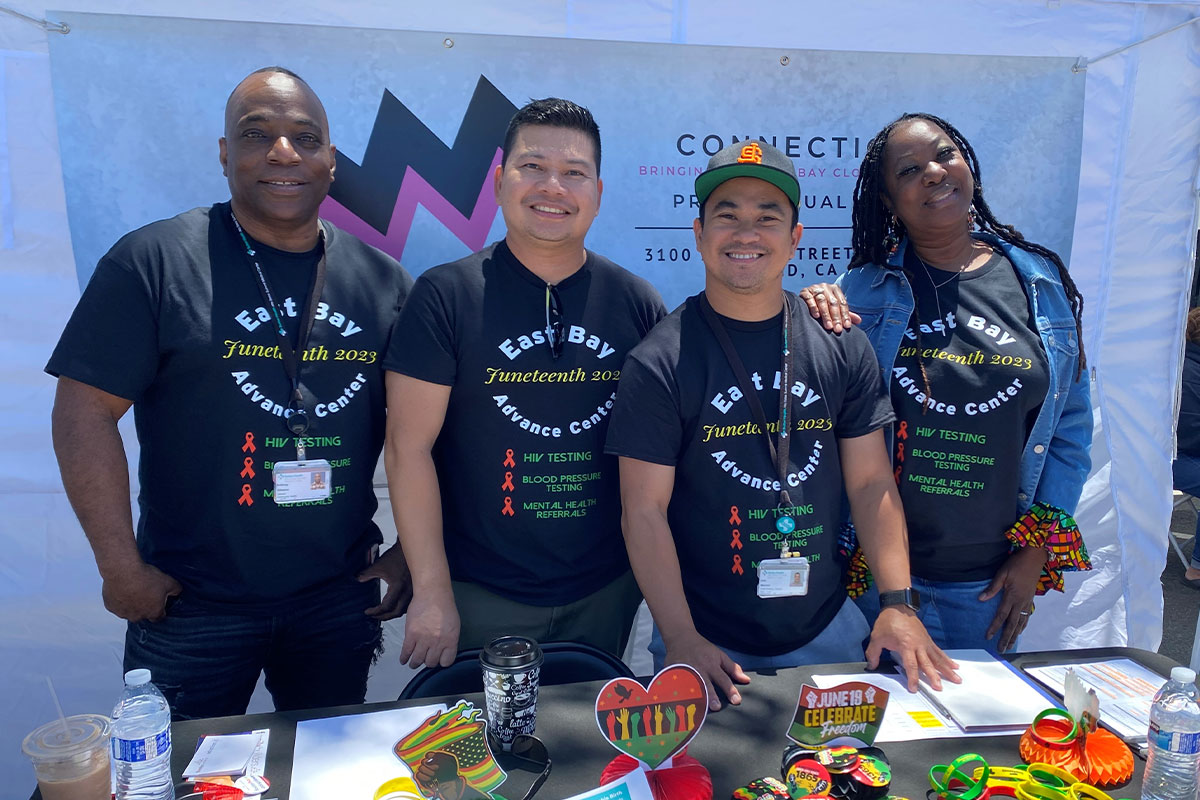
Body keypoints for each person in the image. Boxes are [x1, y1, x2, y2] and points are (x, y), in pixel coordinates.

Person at [46, 67, 415, 718]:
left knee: (323, 777)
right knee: (181, 780)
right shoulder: (154, 261)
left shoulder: (382, 281)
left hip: (336, 596)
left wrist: (413, 550)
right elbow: (85, 410)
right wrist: (119, 567)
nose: (282, 152)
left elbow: (428, 433)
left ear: (331, 160)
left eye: (306, 138)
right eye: (256, 134)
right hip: (191, 602)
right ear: (224, 154)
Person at [605, 140, 957, 708]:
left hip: (829, 632)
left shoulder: (842, 345)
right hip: (705, 644)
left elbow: (870, 483)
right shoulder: (660, 359)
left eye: (768, 218)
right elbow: (642, 510)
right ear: (699, 234)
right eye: (729, 217)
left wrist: (897, 603)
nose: (747, 234)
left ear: (795, 239)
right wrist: (680, 637)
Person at [382, 98, 666, 667]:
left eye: (574, 173)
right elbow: (406, 449)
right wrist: (433, 589)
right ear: (498, 181)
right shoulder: (445, 296)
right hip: (481, 590)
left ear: (598, 193)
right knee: (481, 750)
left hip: (605, 587)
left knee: (590, 748)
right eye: (532, 166)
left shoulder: (636, 302)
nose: (552, 187)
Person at [801, 112, 1092, 653]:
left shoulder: (1039, 283)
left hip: (986, 588)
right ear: (887, 201)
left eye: (943, 154)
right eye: (909, 170)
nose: (933, 173)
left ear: (967, 165)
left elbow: (1071, 427)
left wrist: (1037, 552)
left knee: (971, 740)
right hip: (874, 585)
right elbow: (818, 411)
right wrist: (808, 308)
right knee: (868, 736)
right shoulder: (862, 289)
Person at [1176, 308, 1200, 587]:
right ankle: (1196, 569)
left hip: (1165, 454)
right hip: (1174, 457)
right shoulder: (1188, 372)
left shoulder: (1174, 364)